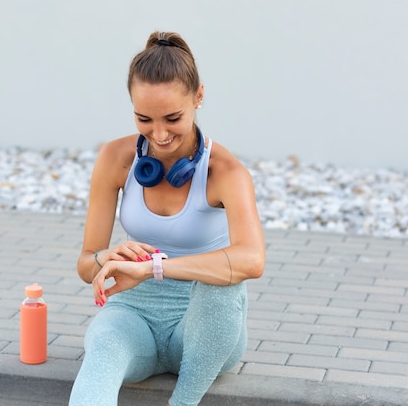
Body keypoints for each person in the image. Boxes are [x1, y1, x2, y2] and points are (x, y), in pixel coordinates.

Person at [69, 31, 266, 406]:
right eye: (144, 119)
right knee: (102, 351)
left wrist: (154, 268)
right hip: (132, 318)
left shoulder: (226, 172)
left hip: (203, 331)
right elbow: (84, 263)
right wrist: (105, 259)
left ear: (199, 97)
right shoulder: (116, 159)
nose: (159, 135)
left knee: (225, 279)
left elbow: (253, 261)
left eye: (173, 118)